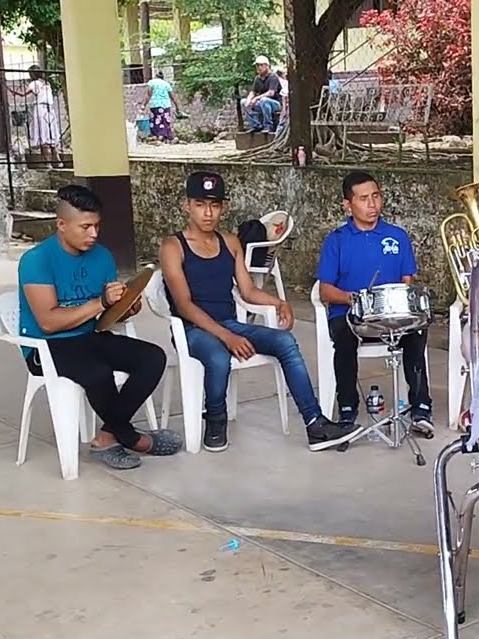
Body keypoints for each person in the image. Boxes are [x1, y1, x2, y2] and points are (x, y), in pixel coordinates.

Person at [159, 171, 362, 453]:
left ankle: (315, 424)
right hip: (192, 329)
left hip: (229, 323)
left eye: (215, 205)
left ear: (223, 208)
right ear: (186, 205)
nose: (208, 213)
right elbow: (184, 305)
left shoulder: (230, 242)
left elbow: (247, 291)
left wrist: (279, 302)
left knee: (286, 342)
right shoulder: (173, 246)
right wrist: (227, 337)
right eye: (200, 204)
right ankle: (215, 418)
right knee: (218, 356)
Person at [17, 185, 182, 469]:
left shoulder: (102, 256)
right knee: (97, 372)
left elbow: (106, 317)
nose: (93, 233)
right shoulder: (36, 260)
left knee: (152, 358)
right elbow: (47, 322)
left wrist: (126, 308)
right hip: (45, 346)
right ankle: (129, 436)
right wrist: (101, 303)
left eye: (97, 226)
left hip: (87, 335)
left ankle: (107, 436)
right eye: (85, 227)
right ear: (61, 224)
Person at [318, 170, 435, 434]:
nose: (372, 204)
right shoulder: (336, 240)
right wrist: (358, 300)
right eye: (363, 199)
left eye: (376, 196)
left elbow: (407, 280)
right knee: (344, 342)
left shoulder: (397, 236)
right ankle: (347, 408)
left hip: (391, 314)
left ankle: (421, 409)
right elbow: (325, 291)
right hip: (351, 315)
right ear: (347, 205)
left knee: (417, 332)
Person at [9, 65, 61, 167]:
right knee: (51, 134)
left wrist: (14, 92)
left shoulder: (34, 83)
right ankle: (58, 161)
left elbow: (23, 94)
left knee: (43, 135)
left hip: (40, 110)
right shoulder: (46, 83)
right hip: (50, 110)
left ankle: (48, 163)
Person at [243, 55, 282, 133]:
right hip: (262, 103)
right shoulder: (257, 78)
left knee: (264, 100)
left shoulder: (273, 77)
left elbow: (271, 93)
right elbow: (253, 91)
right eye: (257, 65)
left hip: (275, 104)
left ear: (267, 66)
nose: (259, 67)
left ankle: (268, 125)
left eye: (261, 65)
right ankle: (255, 125)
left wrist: (256, 98)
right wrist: (249, 99)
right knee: (243, 102)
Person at [141, 71, 180, 142]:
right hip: (165, 105)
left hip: (155, 104)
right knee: (165, 120)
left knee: (156, 119)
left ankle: (158, 136)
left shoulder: (151, 82)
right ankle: (165, 136)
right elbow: (172, 96)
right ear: (163, 78)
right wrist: (177, 107)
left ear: (155, 76)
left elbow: (148, 95)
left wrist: (143, 105)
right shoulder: (166, 84)